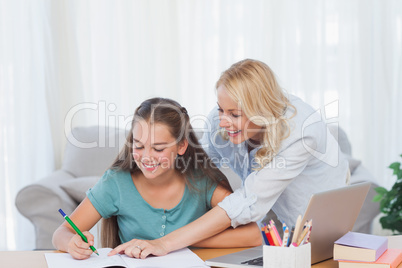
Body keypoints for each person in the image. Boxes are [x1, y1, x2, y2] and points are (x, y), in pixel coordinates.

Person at [113, 59, 349, 259]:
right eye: (220, 109)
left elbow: (248, 201)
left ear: (262, 111)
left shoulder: (301, 132)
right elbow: (200, 170)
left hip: (314, 221)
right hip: (269, 224)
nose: (222, 121)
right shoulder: (219, 123)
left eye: (235, 114)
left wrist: (165, 242)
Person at [52, 97, 262, 260]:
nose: (146, 157)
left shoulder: (200, 181)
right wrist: (71, 243)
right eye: (139, 146)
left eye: (158, 148)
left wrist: (175, 241)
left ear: (181, 146)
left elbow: (253, 235)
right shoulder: (116, 183)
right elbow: (63, 232)